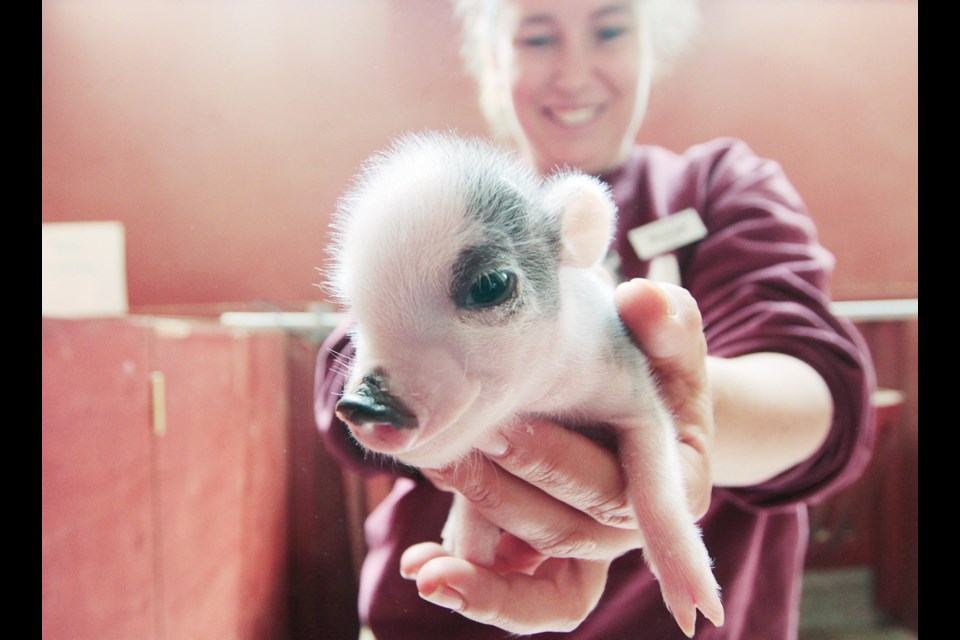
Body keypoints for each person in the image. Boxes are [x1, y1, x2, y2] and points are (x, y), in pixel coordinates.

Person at [314, 0, 876, 638]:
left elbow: (819, 390)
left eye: (608, 30)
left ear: (649, 45)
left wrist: (656, 417)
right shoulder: (434, 203)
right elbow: (345, 382)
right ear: (491, 57)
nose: (573, 72)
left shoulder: (718, 186)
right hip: (439, 613)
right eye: (537, 37)